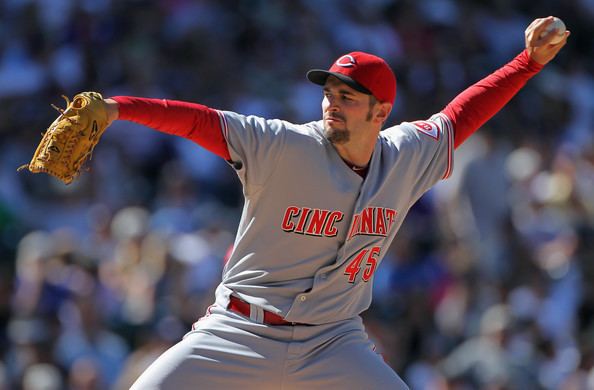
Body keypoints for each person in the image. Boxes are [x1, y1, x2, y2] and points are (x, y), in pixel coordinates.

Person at [99, 16, 568, 389]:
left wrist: (527, 63)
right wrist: (119, 108)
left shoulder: (406, 154)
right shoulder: (283, 146)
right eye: (328, 93)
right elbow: (199, 122)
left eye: (347, 96)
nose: (331, 104)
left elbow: (462, 114)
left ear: (380, 112)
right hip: (239, 330)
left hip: (332, 341)